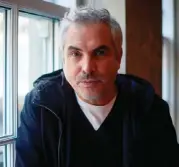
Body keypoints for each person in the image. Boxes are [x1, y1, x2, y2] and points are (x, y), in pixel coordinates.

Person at [15, 7, 179, 167]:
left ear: (118, 57)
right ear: (63, 58)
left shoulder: (151, 109)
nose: (87, 68)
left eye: (100, 53)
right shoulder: (41, 106)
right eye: (75, 53)